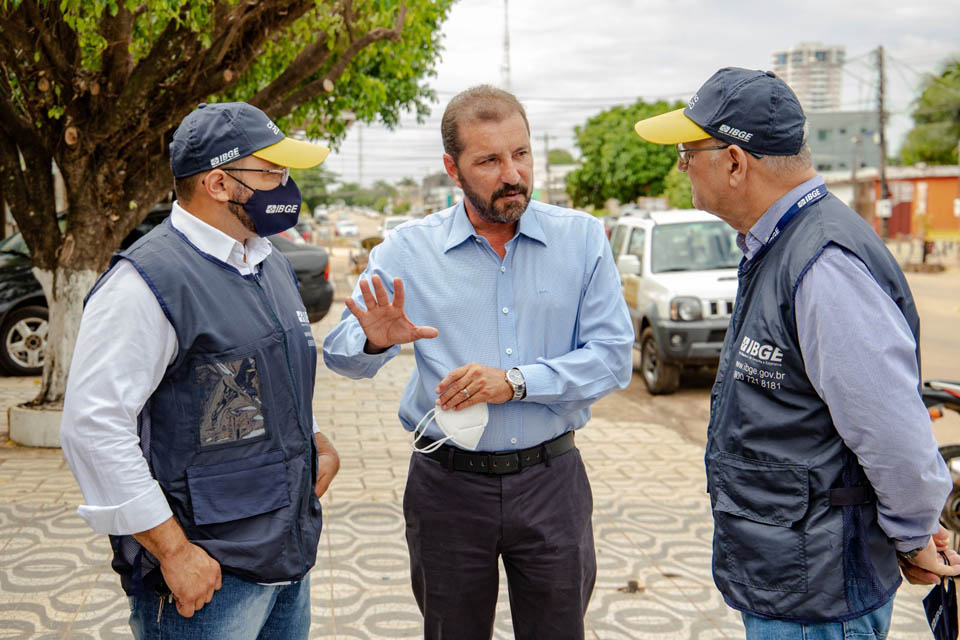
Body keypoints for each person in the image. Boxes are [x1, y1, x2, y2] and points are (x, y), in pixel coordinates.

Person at [633, 67, 960, 637]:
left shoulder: (822, 262)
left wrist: (913, 532)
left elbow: (892, 433)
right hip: (793, 575)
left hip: (818, 592)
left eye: (689, 152)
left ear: (736, 162)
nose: (681, 165)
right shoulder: (780, 243)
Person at [323, 85, 633, 639]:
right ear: (452, 167)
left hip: (551, 484)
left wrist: (514, 383)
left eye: (521, 154)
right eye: (488, 160)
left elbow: (612, 359)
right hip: (447, 489)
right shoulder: (406, 251)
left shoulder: (582, 239)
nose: (511, 174)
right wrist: (374, 342)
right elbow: (342, 357)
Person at [61, 102, 340, 639]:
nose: (285, 186)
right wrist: (173, 551)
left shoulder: (268, 261)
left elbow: (257, 375)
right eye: (271, 172)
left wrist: (314, 437)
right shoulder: (147, 283)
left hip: (286, 554)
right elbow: (93, 427)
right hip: (206, 577)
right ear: (218, 182)